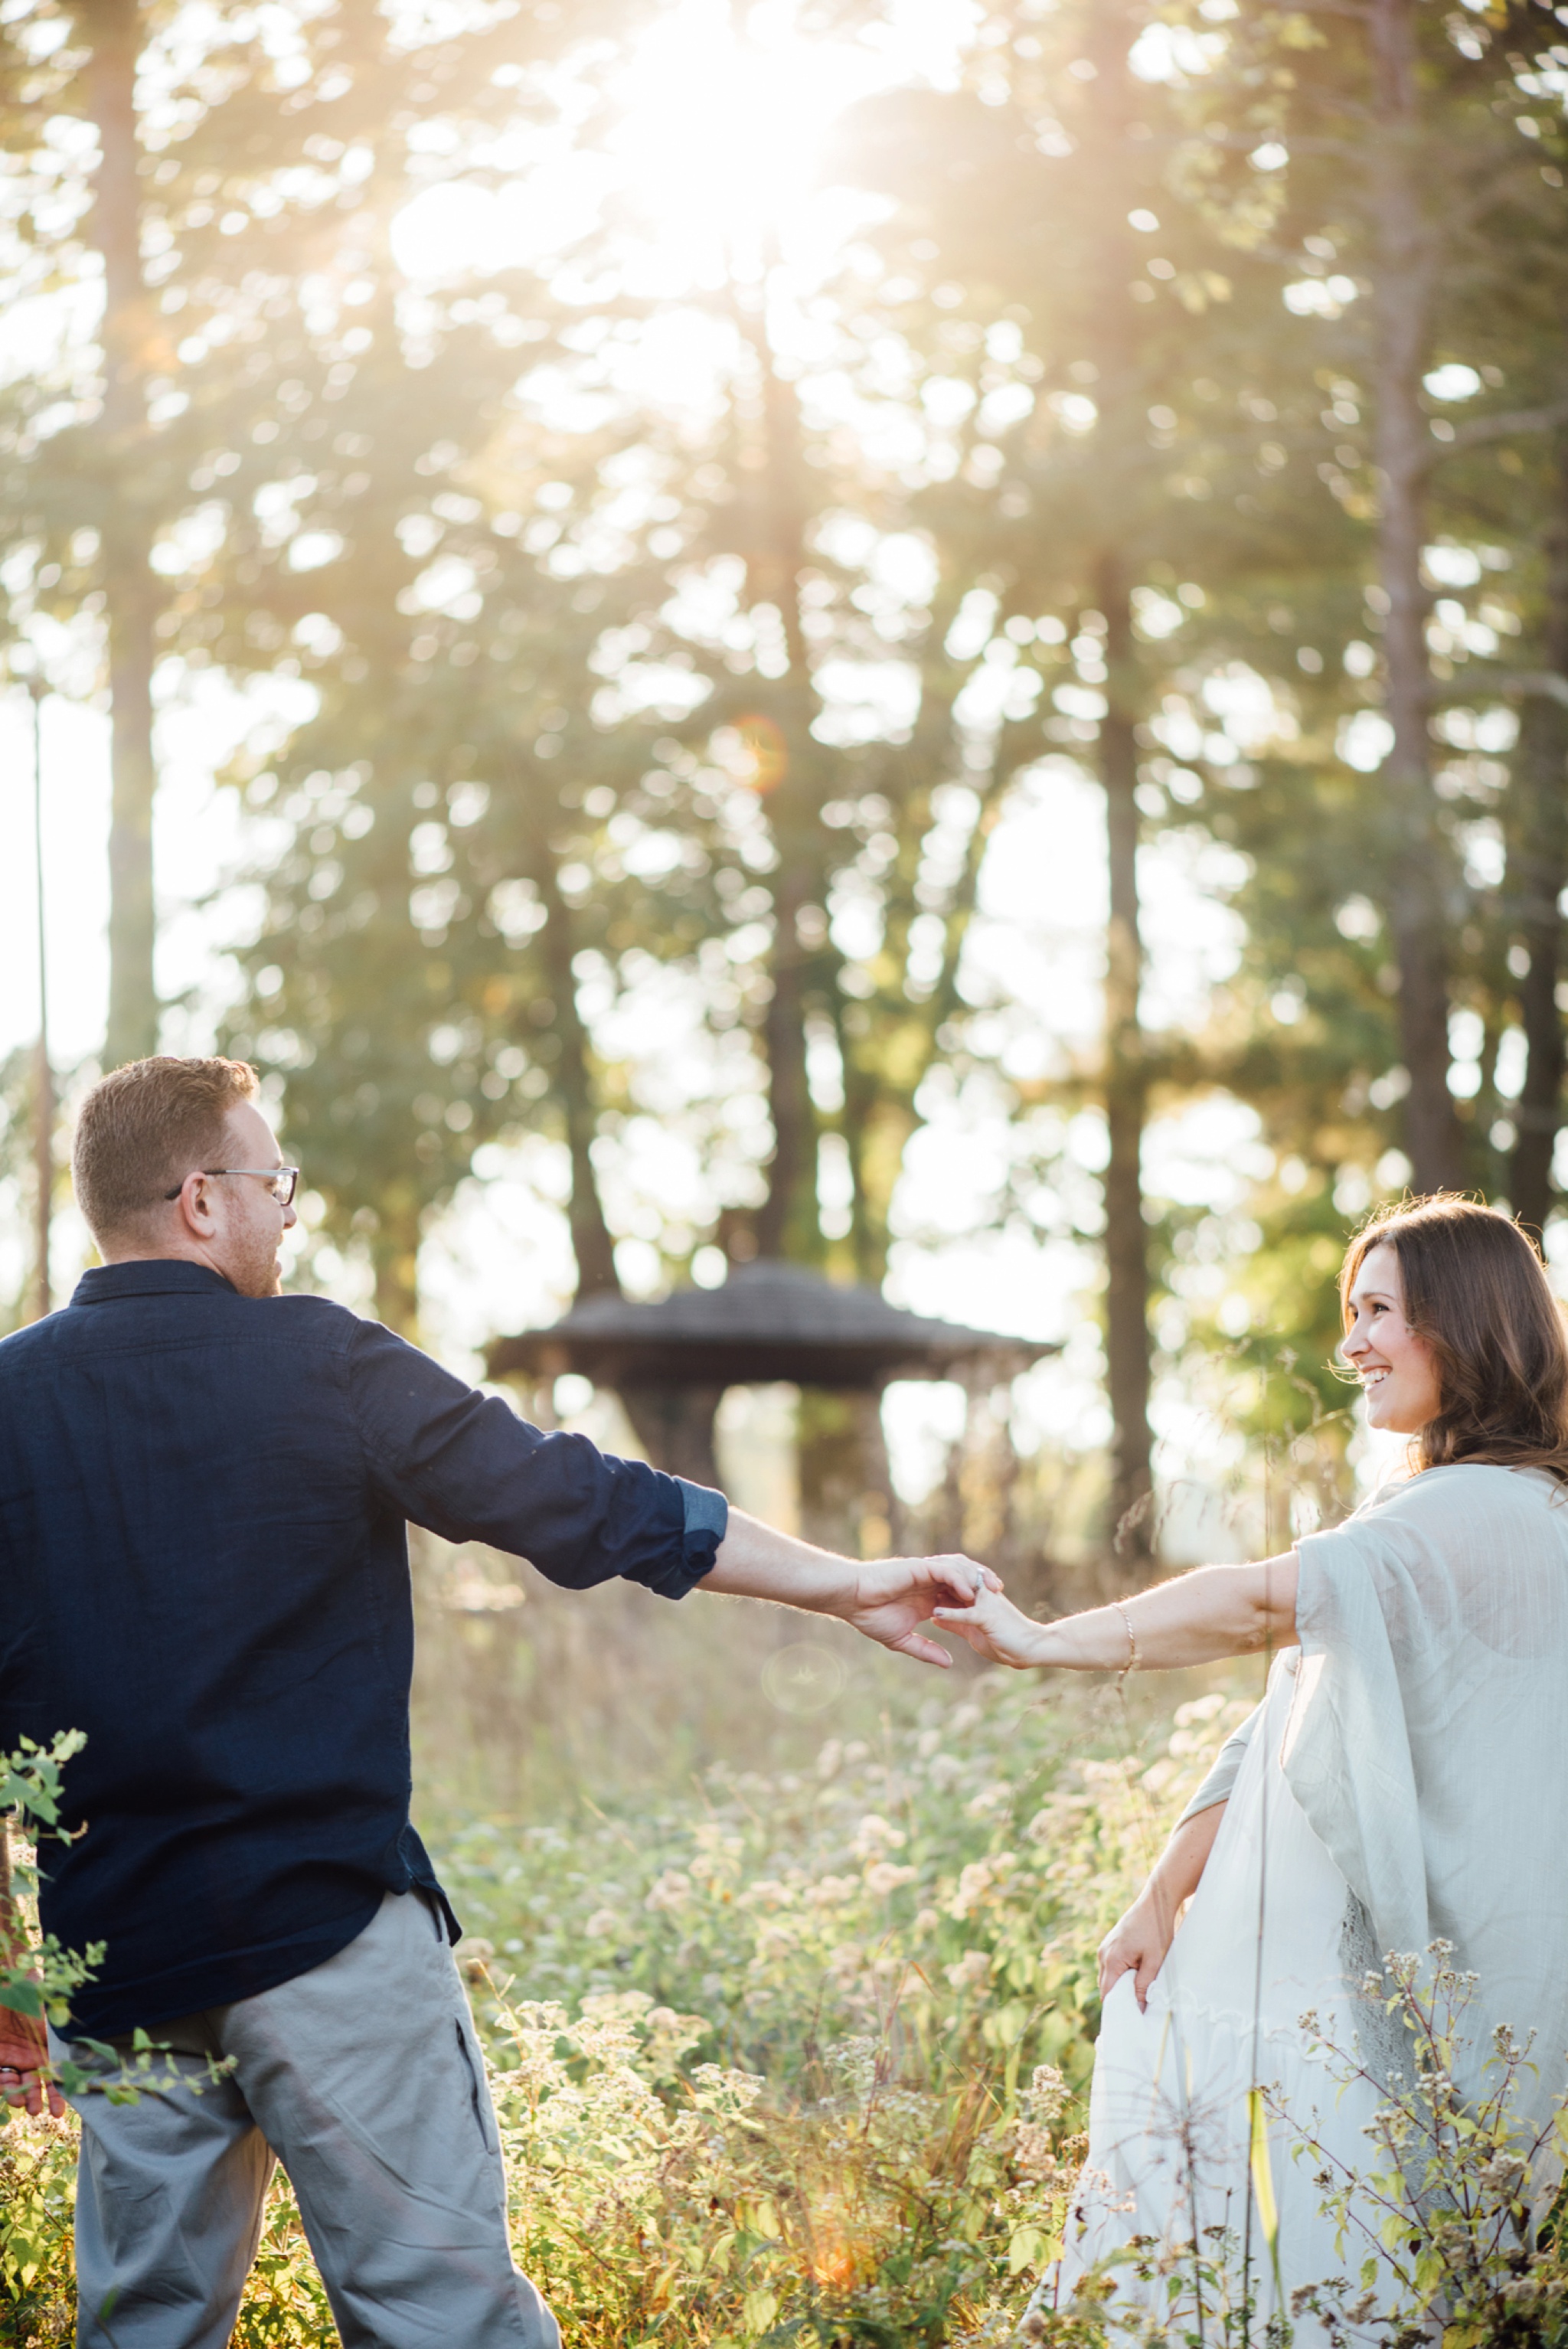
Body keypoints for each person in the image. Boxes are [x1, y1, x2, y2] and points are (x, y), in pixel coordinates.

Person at [0, 1054, 991, 2349]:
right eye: (272, 1181)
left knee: (143, 2334)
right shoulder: (326, 1362)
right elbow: (580, 1499)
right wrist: (844, 1584)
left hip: (116, 1951)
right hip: (325, 1935)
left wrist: (18, 1972)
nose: (287, 1211)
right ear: (200, 1200)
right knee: (445, 2324)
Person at [933, 1195, 1568, 2333]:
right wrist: (1164, 1889)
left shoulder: (1484, 1512)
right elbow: (1285, 1714)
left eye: (1380, 1312)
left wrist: (1044, 1642)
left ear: (1461, 1323)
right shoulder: (1439, 1501)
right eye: (1352, 1312)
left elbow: (1253, 1608)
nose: (1353, 1344)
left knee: (1355, 2254)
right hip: (1358, 1967)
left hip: (1418, 1975)